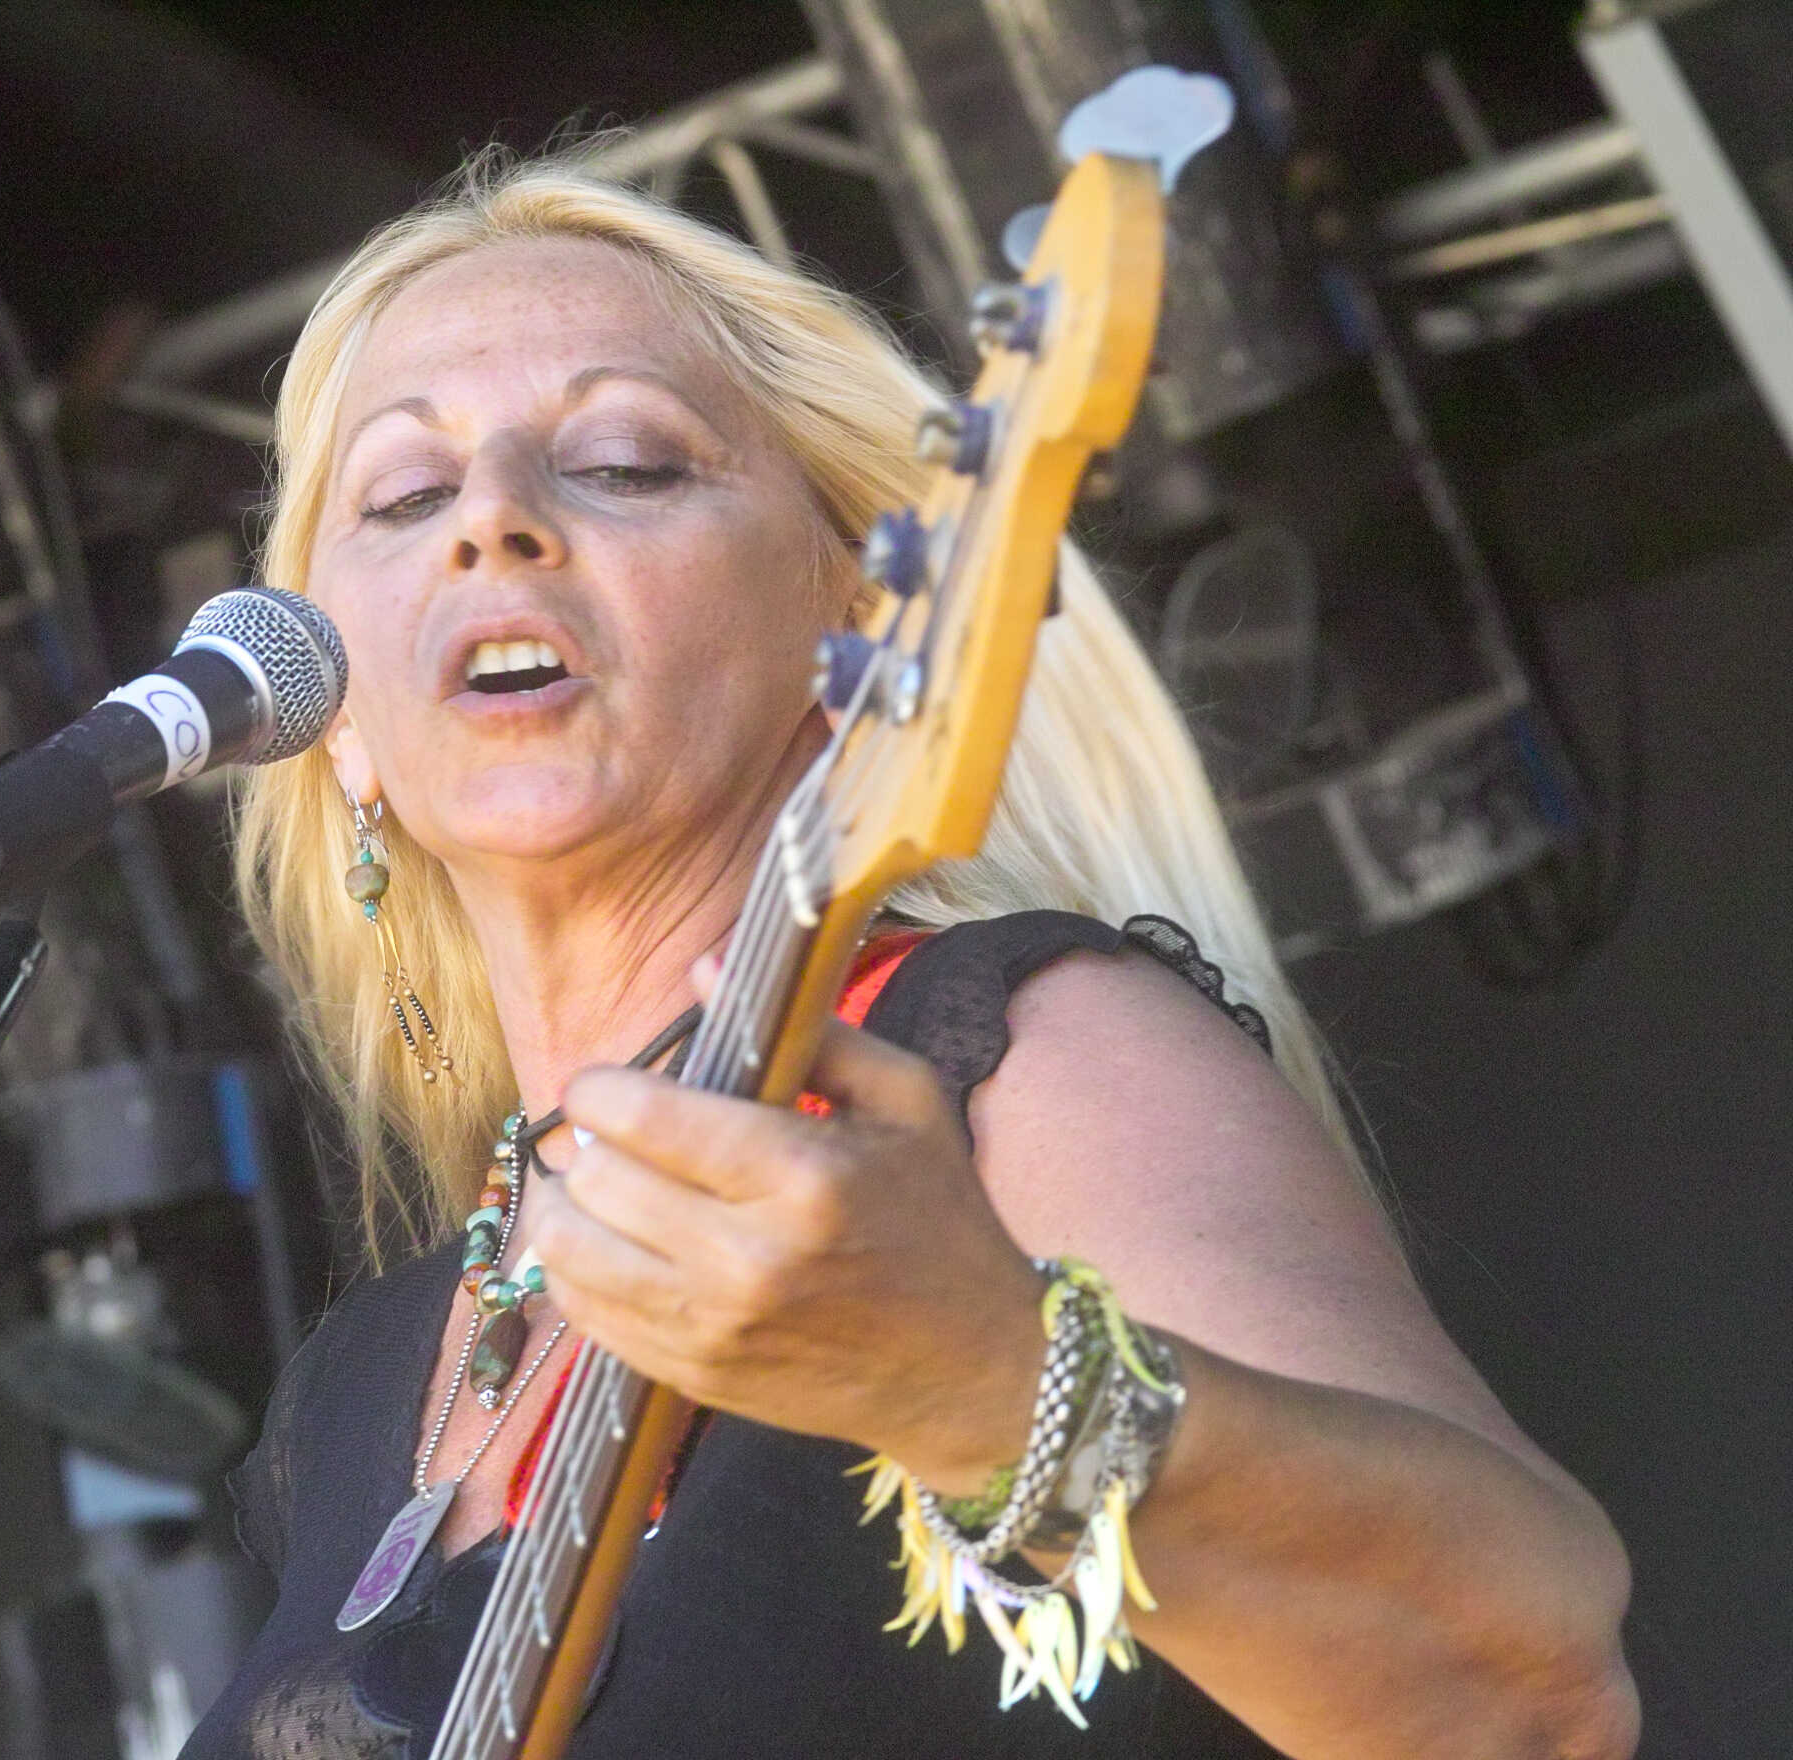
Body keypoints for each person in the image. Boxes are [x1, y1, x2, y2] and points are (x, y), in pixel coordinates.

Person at [180, 150, 1638, 1760]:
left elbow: (1527, 1688)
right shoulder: (361, 1385)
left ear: (857, 626)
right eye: (404, 495)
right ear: (337, 728)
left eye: (623, 463)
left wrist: (982, 1381)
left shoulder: (1004, 1067)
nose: (494, 520)